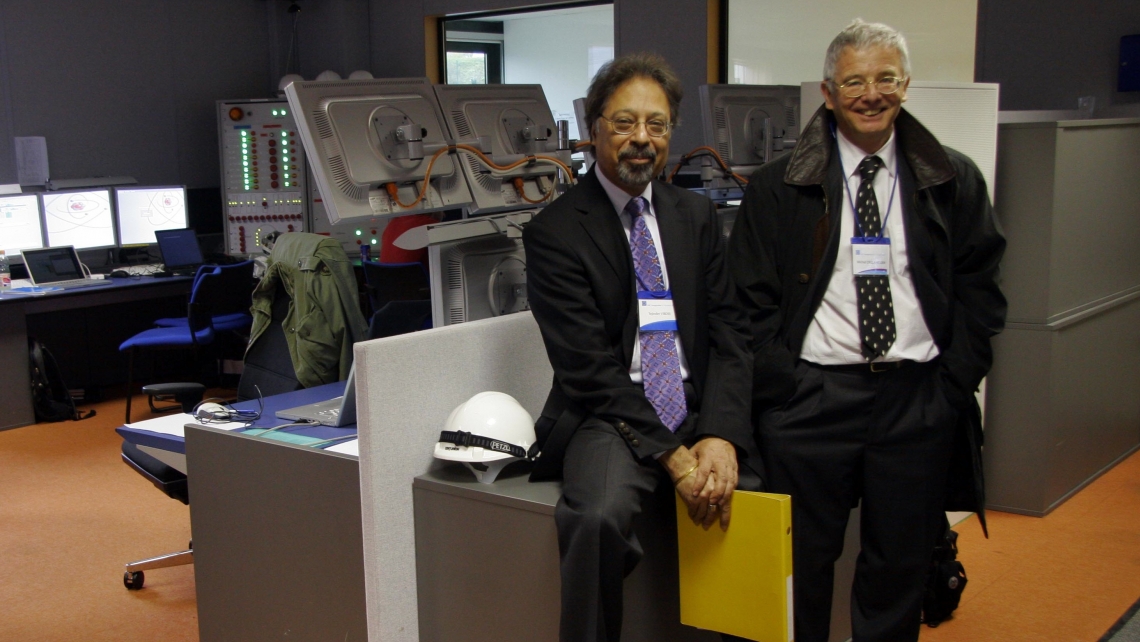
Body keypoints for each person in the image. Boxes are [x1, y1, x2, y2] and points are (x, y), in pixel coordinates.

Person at [727, 19, 1006, 642]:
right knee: (801, 566)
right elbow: (748, 303)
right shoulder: (778, 186)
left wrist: (951, 386)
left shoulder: (952, 178)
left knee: (897, 568)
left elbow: (982, 292)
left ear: (905, 86)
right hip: (810, 404)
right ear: (828, 92)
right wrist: (784, 387)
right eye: (854, 80)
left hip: (917, 402)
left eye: (886, 78)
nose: (870, 94)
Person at [523, 53, 758, 642]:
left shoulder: (696, 215)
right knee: (597, 519)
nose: (640, 140)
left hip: (697, 404)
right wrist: (674, 458)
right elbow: (588, 368)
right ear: (595, 127)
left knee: (760, 499)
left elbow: (730, 330)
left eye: (656, 125)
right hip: (611, 413)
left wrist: (721, 435)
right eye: (625, 122)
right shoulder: (555, 231)